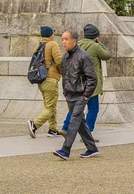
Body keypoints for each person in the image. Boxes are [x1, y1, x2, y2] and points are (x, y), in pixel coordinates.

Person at [53, 30, 99, 161]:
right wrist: (65, 92)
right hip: (70, 94)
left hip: (80, 95)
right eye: (62, 39)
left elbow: (92, 78)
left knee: (74, 121)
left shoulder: (84, 56)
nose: (63, 42)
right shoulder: (65, 57)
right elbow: (65, 76)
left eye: (66, 39)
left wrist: (86, 95)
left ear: (74, 40)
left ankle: (65, 150)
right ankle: (92, 148)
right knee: (80, 123)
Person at [60, 24, 111, 142]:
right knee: (93, 108)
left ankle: (65, 128)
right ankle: (87, 134)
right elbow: (107, 55)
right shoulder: (95, 46)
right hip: (91, 84)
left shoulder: (78, 44)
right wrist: (99, 43)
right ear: (95, 36)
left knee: (75, 108)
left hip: (77, 83)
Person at [27, 25, 62, 138]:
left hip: (41, 80)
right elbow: (59, 61)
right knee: (51, 107)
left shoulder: (38, 45)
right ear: (50, 34)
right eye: (53, 33)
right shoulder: (53, 44)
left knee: (50, 105)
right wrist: (62, 72)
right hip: (50, 79)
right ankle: (34, 124)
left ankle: (53, 129)